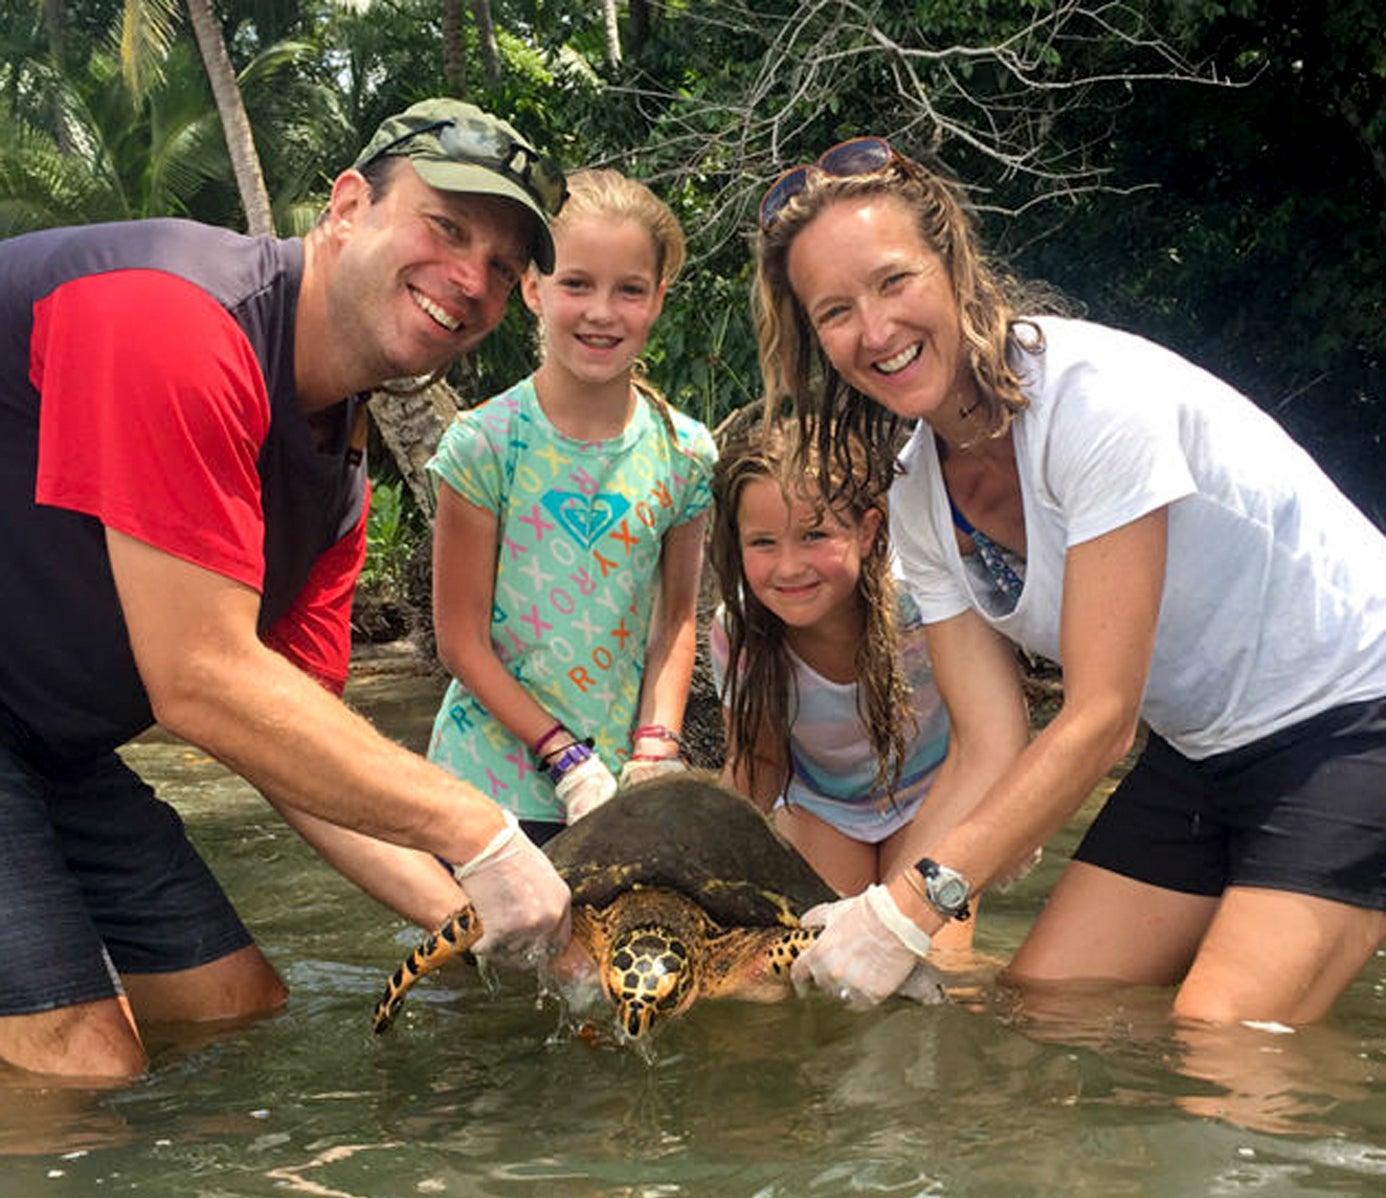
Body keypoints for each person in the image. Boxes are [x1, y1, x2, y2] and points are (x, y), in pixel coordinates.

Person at [752, 135, 1386, 1026]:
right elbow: (987, 745)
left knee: (1218, 1039)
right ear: (813, 338)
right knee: (1041, 1010)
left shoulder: (1090, 398)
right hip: (1207, 747)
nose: (874, 331)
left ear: (953, 264)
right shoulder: (915, 494)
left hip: (1370, 716)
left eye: (894, 281)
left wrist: (910, 905)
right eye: (835, 311)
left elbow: (1100, 721)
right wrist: (911, 934)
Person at [0, 97, 578, 1082]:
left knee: (234, 1013)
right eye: (445, 227)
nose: (470, 281)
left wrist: (482, 916)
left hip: (44, 742)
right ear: (347, 207)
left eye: (502, 266)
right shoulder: (173, 317)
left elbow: (290, 740)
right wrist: (484, 833)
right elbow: (201, 680)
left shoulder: (339, 474)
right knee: (81, 1065)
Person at [426, 168, 715, 843]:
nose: (602, 312)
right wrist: (563, 756)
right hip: (485, 788)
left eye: (630, 290)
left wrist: (656, 747)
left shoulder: (685, 453)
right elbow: (460, 641)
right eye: (576, 283)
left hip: (620, 790)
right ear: (533, 288)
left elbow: (674, 621)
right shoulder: (485, 445)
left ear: (658, 300)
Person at [707, 404, 1018, 948]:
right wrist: (711, 878)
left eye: (814, 535)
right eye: (762, 542)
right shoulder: (738, 632)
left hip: (935, 794)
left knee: (923, 961)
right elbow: (756, 765)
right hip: (824, 808)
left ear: (869, 528)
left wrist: (1012, 824)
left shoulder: (925, 603)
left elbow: (989, 730)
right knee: (815, 960)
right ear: (737, 540)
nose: (789, 567)